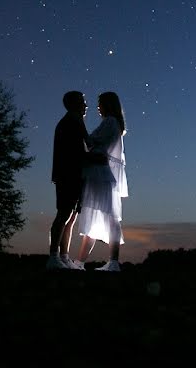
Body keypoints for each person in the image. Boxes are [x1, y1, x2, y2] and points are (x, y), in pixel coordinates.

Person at [74, 91, 128, 272]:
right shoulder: (112, 123)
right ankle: (80, 262)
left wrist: (80, 125)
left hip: (100, 175)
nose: (97, 107)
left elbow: (92, 143)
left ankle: (113, 262)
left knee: (108, 217)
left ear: (108, 104)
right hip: (99, 174)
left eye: (100, 103)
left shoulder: (110, 122)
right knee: (96, 217)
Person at [47, 91, 92, 270]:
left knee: (70, 216)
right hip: (69, 175)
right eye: (83, 102)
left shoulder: (71, 121)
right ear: (74, 104)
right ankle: (53, 256)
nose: (86, 106)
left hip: (70, 174)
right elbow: (79, 149)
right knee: (64, 214)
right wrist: (95, 158)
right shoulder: (73, 121)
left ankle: (63, 256)